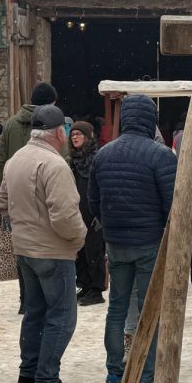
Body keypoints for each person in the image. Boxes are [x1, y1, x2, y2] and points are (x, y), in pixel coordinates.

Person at [0, 103, 87, 383]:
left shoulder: (16, 159)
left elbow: (2, 202)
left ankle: (28, 374)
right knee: (62, 316)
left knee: (35, 313)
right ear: (59, 133)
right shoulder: (55, 165)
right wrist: (79, 237)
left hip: (25, 249)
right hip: (53, 251)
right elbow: (64, 215)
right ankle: (47, 381)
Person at [87, 94, 174, 383]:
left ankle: (114, 374)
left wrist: (111, 224)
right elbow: (172, 203)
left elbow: (94, 200)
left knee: (117, 308)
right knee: (149, 309)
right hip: (149, 241)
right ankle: (146, 377)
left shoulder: (104, 154)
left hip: (116, 242)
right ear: (150, 119)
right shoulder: (161, 155)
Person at [0, 81, 59, 199]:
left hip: (14, 190)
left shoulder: (10, 123)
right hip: (42, 192)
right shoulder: (51, 124)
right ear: (50, 103)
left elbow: (1, 161)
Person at [68, 121, 107, 306]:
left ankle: (96, 289)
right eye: (73, 134)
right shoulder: (72, 161)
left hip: (93, 213)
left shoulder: (97, 158)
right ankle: (84, 284)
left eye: (79, 134)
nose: (75, 137)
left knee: (94, 250)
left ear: (88, 136)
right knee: (80, 251)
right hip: (77, 212)